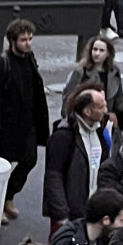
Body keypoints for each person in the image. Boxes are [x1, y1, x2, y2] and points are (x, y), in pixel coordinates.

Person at [0, 19, 48, 224]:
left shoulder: (29, 58)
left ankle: (8, 196)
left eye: (29, 39)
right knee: (3, 166)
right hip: (8, 126)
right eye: (23, 40)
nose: (27, 43)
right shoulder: (2, 64)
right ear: (12, 40)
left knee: (29, 160)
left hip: (28, 123)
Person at [43, 85, 110, 233]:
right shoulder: (63, 137)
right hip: (69, 214)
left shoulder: (99, 132)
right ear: (87, 111)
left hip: (91, 211)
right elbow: (54, 177)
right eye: (101, 107)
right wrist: (61, 215)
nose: (106, 110)